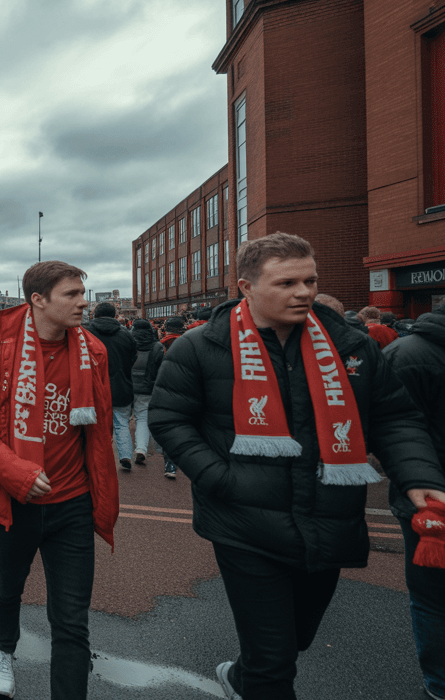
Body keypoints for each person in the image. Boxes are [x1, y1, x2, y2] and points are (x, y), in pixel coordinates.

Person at [148, 233, 445, 700]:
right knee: (274, 664)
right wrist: (217, 476)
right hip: (242, 523)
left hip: (329, 519)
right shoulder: (201, 347)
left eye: (310, 280)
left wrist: (420, 477)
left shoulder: (354, 347)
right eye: (287, 282)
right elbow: (168, 418)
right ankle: (257, 676)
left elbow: (394, 417)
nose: (303, 292)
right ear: (245, 287)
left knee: (295, 639)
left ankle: (242, 676)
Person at [0, 260, 119, 699]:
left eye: (84, 293)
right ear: (38, 300)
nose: (84, 302)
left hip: (73, 504)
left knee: (71, 621)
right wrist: (15, 472)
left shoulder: (94, 352)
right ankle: (2, 650)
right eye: (72, 294)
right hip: (12, 501)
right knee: (7, 590)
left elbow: (99, 430)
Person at [384, 303, 445, 700]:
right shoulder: (408, 353)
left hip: (426, 492)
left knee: (432, 596)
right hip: (428, 493)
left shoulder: (405, 354)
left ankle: (440, 682)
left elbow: (386, 426)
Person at [86, 302, 137, 471]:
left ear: (95, 315)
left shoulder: (87, 332)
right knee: (122, 423)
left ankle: (101, 459)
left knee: (98, 426)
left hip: (95, 387)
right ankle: (125, 456)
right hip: (121, 384)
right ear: (115, 315)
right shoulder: (126, 334)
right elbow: (132, 357)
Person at [129, 319, 169, 477]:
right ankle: (141, 449)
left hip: (129, 385)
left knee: (121, 419)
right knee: (142, 418)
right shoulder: (157, 346)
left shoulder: (129, 343)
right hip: (148, 387)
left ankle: (124, 451)